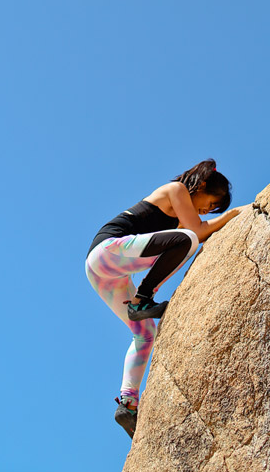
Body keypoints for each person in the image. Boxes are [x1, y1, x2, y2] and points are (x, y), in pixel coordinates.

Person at [85, 158, 241, 437]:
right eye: (211, 202)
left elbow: (192, 232)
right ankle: (142, 299)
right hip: (108, 251)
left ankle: (128, 404)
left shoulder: (181, 215)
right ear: (201, 185)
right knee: (187, 240)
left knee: (145, 334)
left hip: (104, 273)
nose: (209, 210)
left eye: (215, 209)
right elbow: (198, 233)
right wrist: (233, 215)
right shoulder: (177, 190)